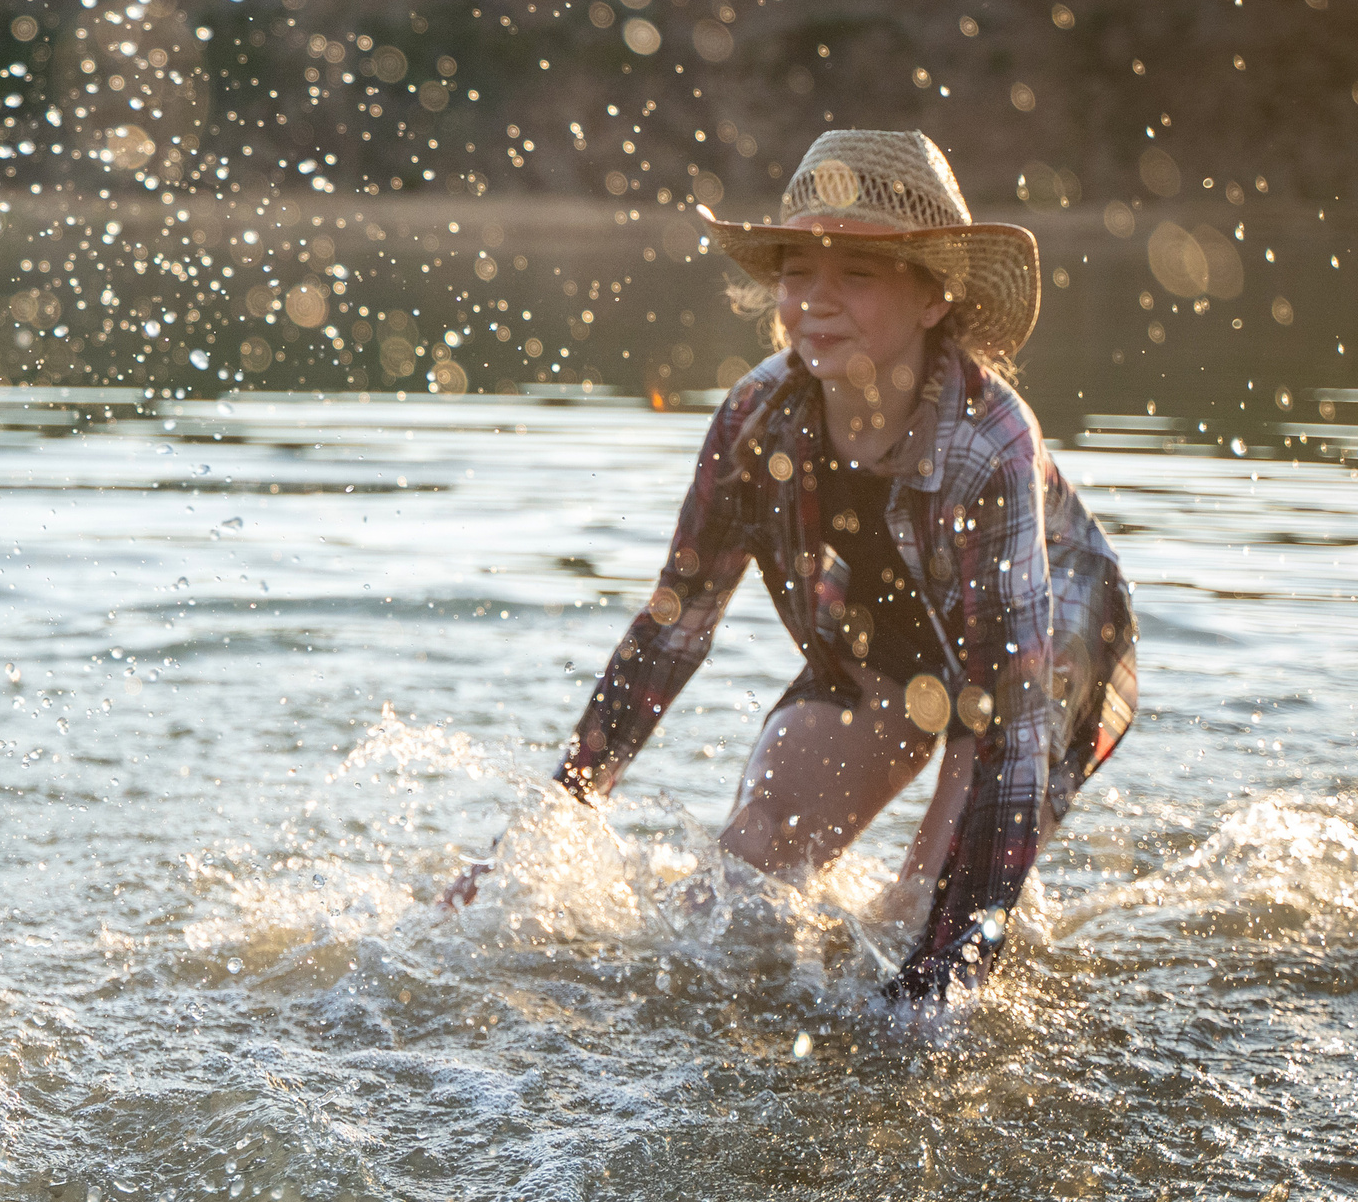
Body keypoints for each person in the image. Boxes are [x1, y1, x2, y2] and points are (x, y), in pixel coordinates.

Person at [451, 131, 1138, 1001]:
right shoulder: (754, 419)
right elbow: (671, 633)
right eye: (797, 270)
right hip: (886, 646)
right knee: (741, 877)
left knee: (925, 922)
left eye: (857, 273)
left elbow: (1013, 728)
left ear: (934, 297)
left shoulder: (990, 443)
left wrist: (950, 964)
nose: (816, 300)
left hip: (1040, 659)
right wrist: (538, 839)